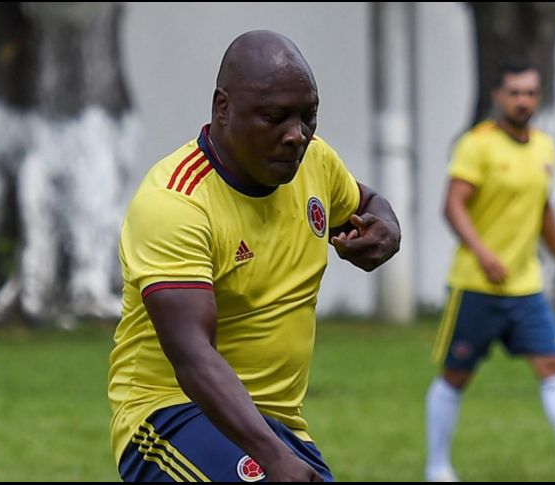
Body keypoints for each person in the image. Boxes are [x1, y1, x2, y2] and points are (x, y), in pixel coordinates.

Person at [108, 30, 400, 482]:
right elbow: (191, 355)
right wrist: (272, 457)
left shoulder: (316, 165)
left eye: (309, 117)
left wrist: (387, 228)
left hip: (279, 424)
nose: (296, 136)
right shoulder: (175, 202)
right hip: (171, 415)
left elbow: (366, 202)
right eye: (275, 117)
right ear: (222, 107)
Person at [424, 63, 555, 483]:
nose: (523, 101)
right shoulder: (476, 145)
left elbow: (541, 211)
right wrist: (483, 252)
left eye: (531, 93)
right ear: (498, 97)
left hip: (525, 287)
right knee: (455, 376)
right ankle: (438, 469)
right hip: (477, 285)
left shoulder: (544, 147)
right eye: (515, 93)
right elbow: (453, 206)